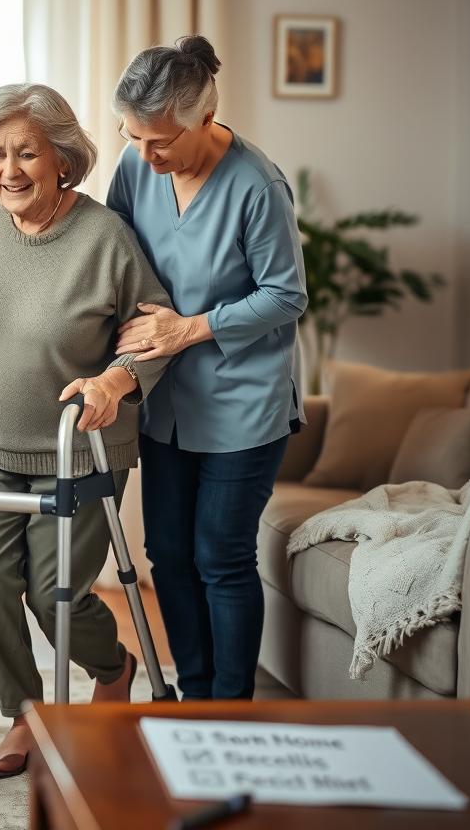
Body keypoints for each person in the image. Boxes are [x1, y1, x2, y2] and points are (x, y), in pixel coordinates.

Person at [0, 84, 171, 779]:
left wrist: (116, 381)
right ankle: (29, 713)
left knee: (54, 593)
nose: (10, 169)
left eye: (27, 152)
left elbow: (154, 332)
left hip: (76, 449)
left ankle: (114, 667)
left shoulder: (104, 237)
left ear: (62, 160)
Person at [107, 35, 307, 701]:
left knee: (221, 556)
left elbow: (287, 296)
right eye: (132, 137)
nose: (143, 154)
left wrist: (188, 328)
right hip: (167, 399)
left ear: (202, 117)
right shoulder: (139, 168)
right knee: (168, 552)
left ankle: (231, 706)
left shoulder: (257, 185)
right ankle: (195, 695)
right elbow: (107, 250)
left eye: (158, 140)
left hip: (244, 402)